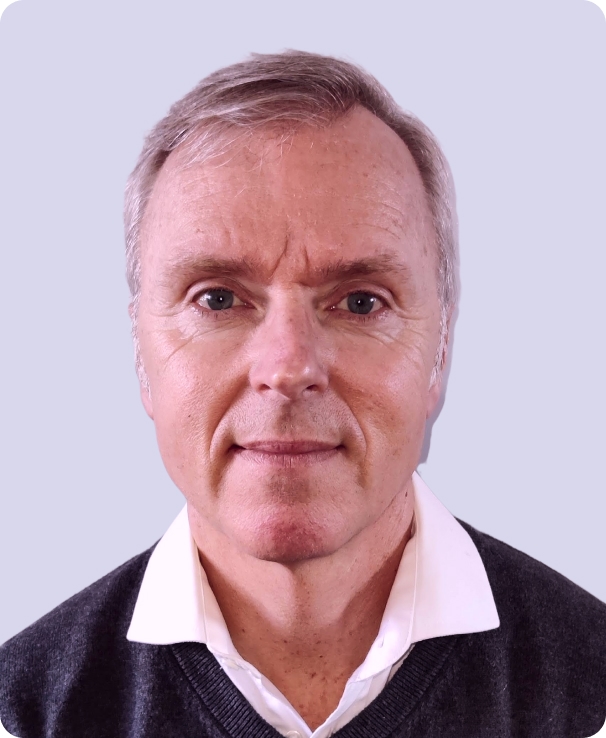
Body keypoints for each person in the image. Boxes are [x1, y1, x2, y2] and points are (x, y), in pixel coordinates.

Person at [1, 50, 604, 738]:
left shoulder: (589, 687)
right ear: (141, 354)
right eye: (218, 299)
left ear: (441, 348)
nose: (288, 367)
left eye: (360, 301)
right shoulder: (24, 710)